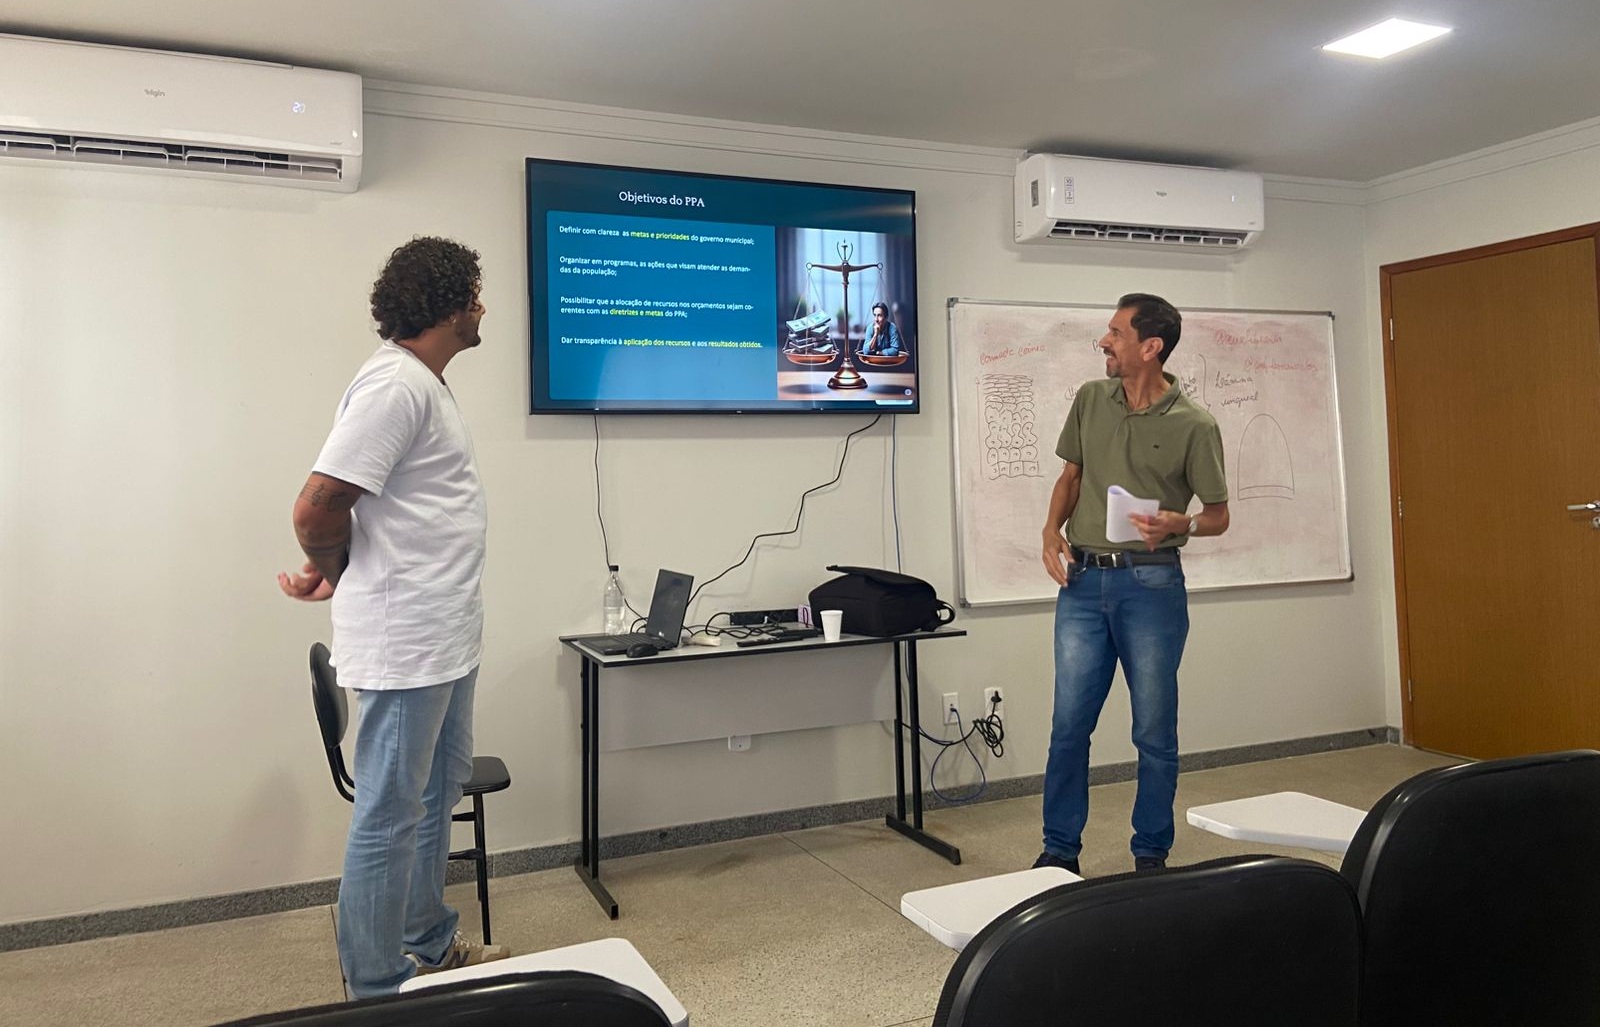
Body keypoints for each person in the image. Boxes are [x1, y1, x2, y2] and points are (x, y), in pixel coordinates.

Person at [277, 237, 505, 997]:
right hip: (408, 643)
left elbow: (379, 510)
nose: (482, 308)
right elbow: (316, 506)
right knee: (389, 813)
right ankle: (376, 990)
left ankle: (427, 942)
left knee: (434, 797)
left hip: (445, 638)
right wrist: (337, 568)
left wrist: (337, 562)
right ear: (446, 305)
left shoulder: (423, 384)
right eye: (473, 295)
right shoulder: (396, 385)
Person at [1035, 293, 1229, 875]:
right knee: (1069, 727)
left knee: (1153, 731)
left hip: (1152, 586)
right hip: (1082, 583)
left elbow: (1218, 516)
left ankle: (1150, 853)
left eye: (1116, 332)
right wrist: (1050, 531)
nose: (1104, 340)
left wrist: (1181, 524)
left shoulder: (1195, 424)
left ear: (1151, 347)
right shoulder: (1091, 398)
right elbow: (1071, 477)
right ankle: (1059, 851)